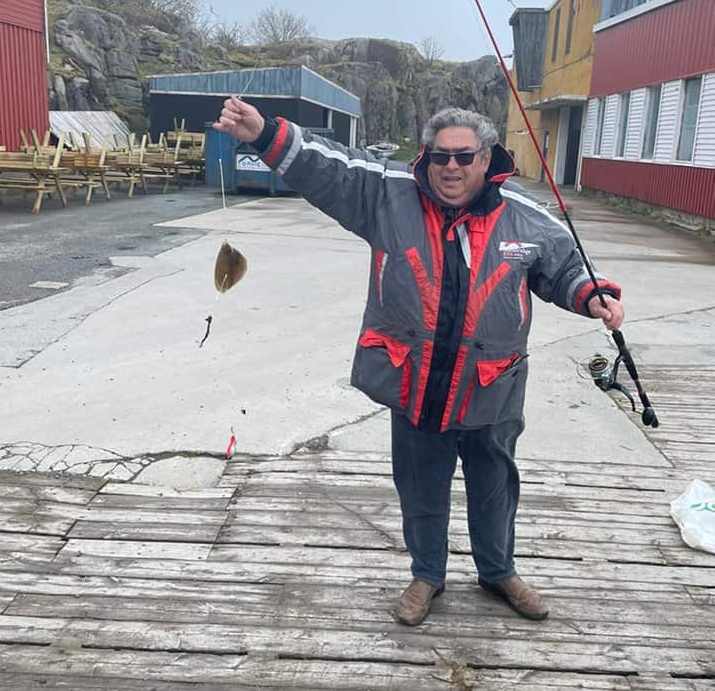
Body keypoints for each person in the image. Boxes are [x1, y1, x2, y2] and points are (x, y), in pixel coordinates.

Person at [214, 99, 624, 626]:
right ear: (426, 157)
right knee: (420, 483)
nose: (450, 167)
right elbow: (329, 165)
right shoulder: (385, 195)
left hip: (492, 386)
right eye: (439, 156)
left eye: (463, 156)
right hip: (416, 380)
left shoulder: (526, 214)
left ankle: (498, 570)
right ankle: (427, 573)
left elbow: (564, 268)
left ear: (486, 158)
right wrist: (265, 133)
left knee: (494, 484)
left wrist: (592, 295)